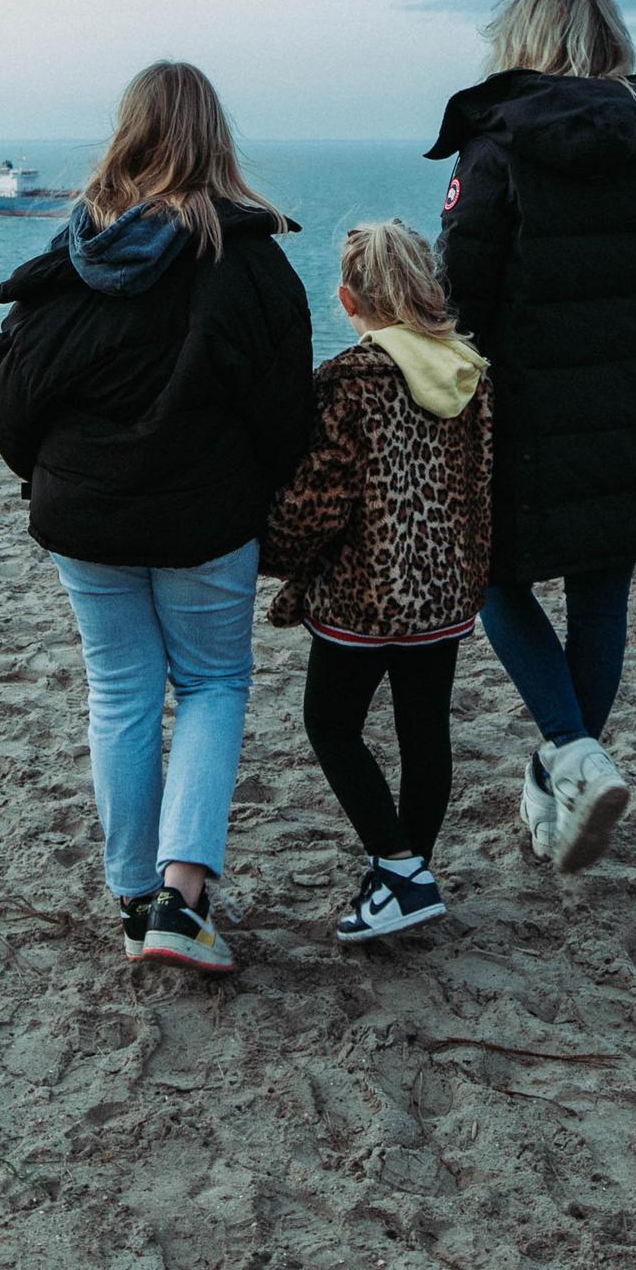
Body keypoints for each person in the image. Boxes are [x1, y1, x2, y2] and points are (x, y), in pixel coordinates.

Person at [0, 61, 314, 975]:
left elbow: (13, 399)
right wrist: (258, 488)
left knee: (122, 691)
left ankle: (135, 895)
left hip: (82, 517)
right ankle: (181, 899)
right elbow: (288, 414)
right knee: (210, 684)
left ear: (126, 134)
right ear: (216, 138)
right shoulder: (249, 262)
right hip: (206, 520)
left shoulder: (73, 255)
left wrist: (48, 481)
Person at [432, 0, 636, 873]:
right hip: (629, 390)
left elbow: (460, 284)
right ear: (606, 40)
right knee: (601, 587)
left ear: (522, 40)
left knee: (489, 573)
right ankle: (564, 773)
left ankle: (569, 750)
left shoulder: (496, 145)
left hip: (522, 396)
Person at [261, 221, 493, 945]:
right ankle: (407, 874)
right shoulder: (468, 372)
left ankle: (399, 871)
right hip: (447, 593)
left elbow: (316, 501)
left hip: (363, 597)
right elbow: (482, 485)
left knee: (330, 725)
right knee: (424, 733)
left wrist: (273, 552)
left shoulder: (347, 384)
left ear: (347, 299)